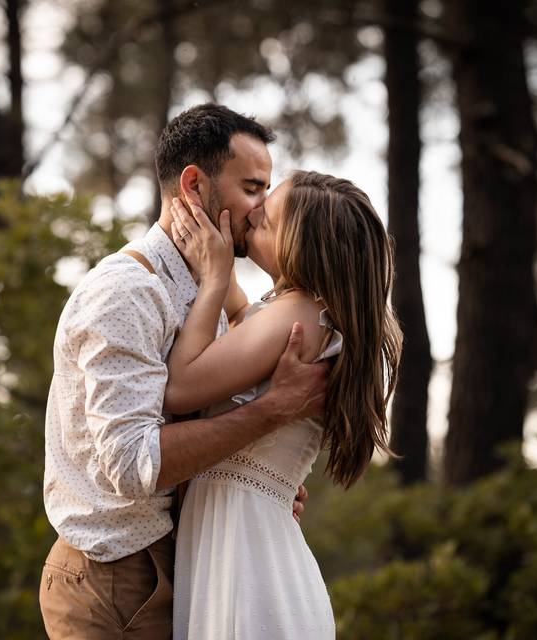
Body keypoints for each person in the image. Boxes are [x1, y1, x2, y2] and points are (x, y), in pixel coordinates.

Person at [38, 105, 330, 639]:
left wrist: (259, 474)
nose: (263, 206)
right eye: (252, 187)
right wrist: (271, 413)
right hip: (118, 575)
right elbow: (132, 466)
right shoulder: (127, 292)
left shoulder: (204, 287)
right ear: (194, 185)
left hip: (180, 559)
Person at [164, 170, 404, 639]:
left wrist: (214, 278)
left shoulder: (296, 315)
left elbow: (180, 386)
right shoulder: (311, 315)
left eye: (268, 218)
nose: (254, 214)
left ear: (304, 249)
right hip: (253, 537)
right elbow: (244, 323)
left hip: (244, 552)